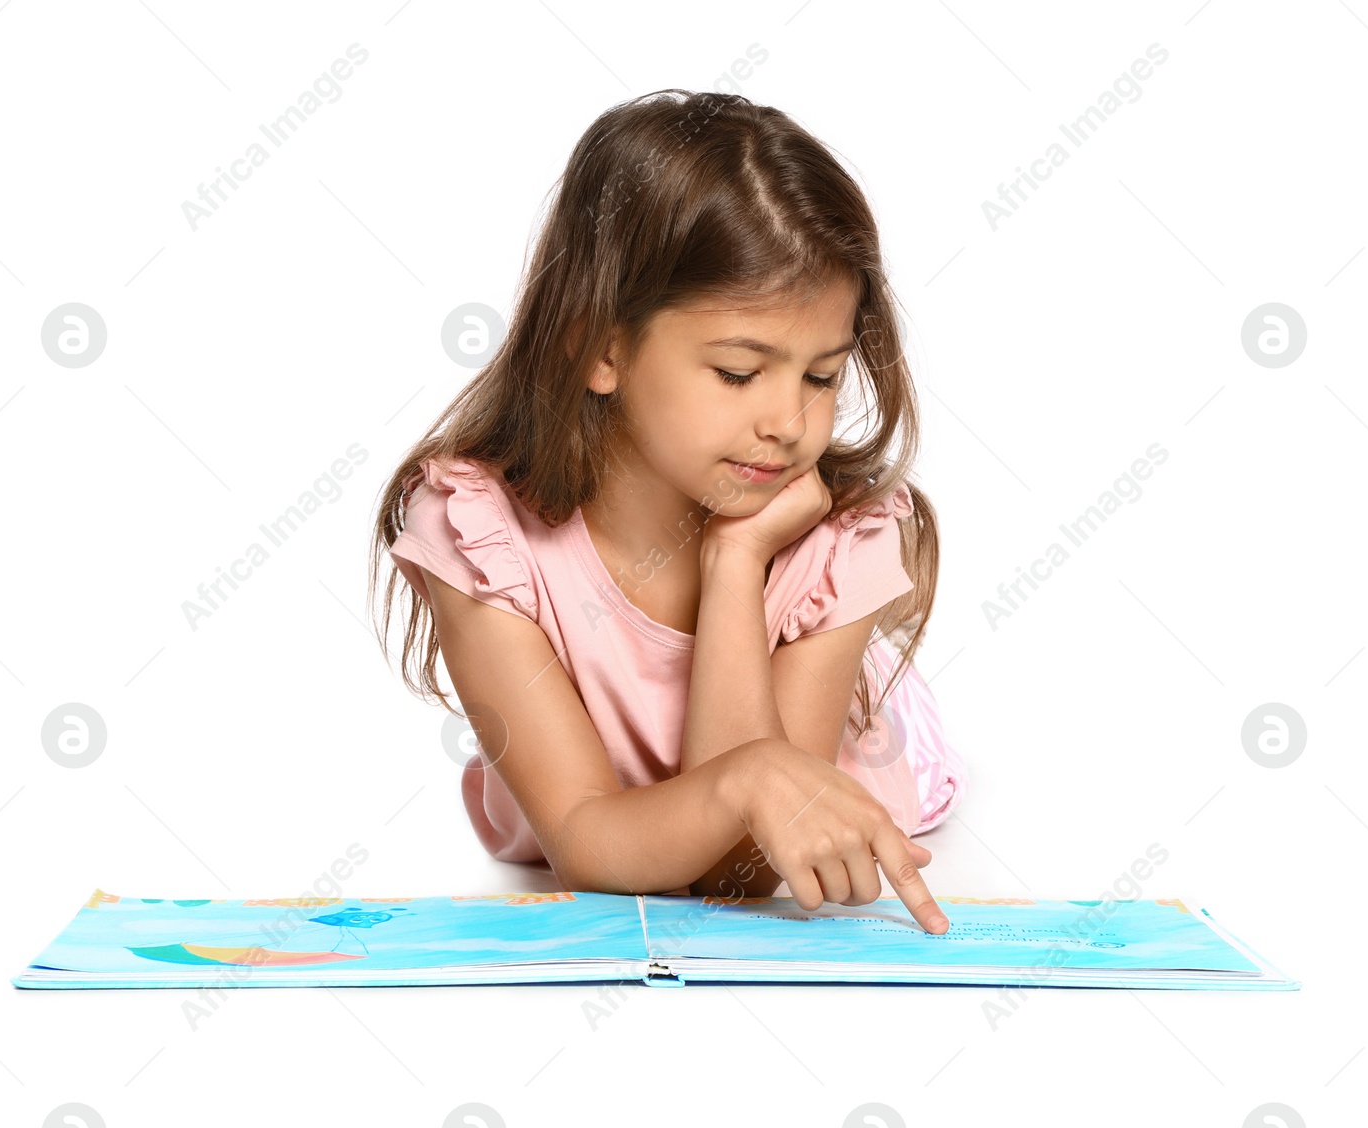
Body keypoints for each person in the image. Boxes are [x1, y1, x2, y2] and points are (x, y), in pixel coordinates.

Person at [369, 89, 966, 935]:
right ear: (600, 348)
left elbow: (745, 875)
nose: (788, 424)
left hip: (844, 750)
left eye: (822, 376)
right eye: (737, 372)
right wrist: (747, 779)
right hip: (609, 811)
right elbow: (582, 835)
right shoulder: (479, 535)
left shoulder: (839, 542)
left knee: (881, 731)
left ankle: (888, 704)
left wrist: (735, 564)